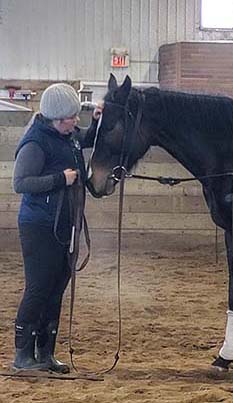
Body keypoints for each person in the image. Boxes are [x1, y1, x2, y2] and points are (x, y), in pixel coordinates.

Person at [12, 83, 103, 373]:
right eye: (71, 118)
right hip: (38, 225)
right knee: (39, 288)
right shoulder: (35, 143)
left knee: (56, 288)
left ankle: (46, 353)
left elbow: (85, 139)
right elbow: (21, 183)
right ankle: (23, 355)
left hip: (64, 223)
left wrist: (98, 122)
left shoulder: (67, 135)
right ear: (54, 118)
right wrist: (58, 179)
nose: (77, 122)